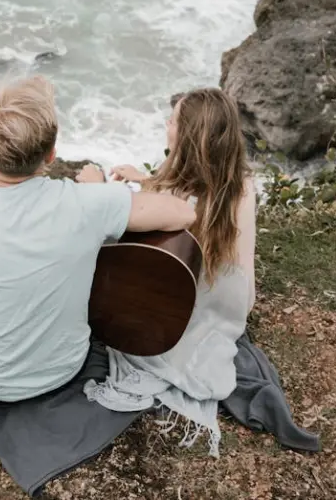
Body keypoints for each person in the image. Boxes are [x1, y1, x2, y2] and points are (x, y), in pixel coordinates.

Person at [0, 75, 196, 404]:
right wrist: (103, 193)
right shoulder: (89, 203)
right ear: (52, 154)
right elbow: (183, 213)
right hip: (67, 371)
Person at [80, 87, 256, 456]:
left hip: (173, 321)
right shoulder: (241, 186)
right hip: (230, 310)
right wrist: (146, 180)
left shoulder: (174, 197)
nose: (166, 124)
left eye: (173, 121)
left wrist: (98, 190)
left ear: (187, 137)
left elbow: (133, 218)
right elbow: (186, 191)